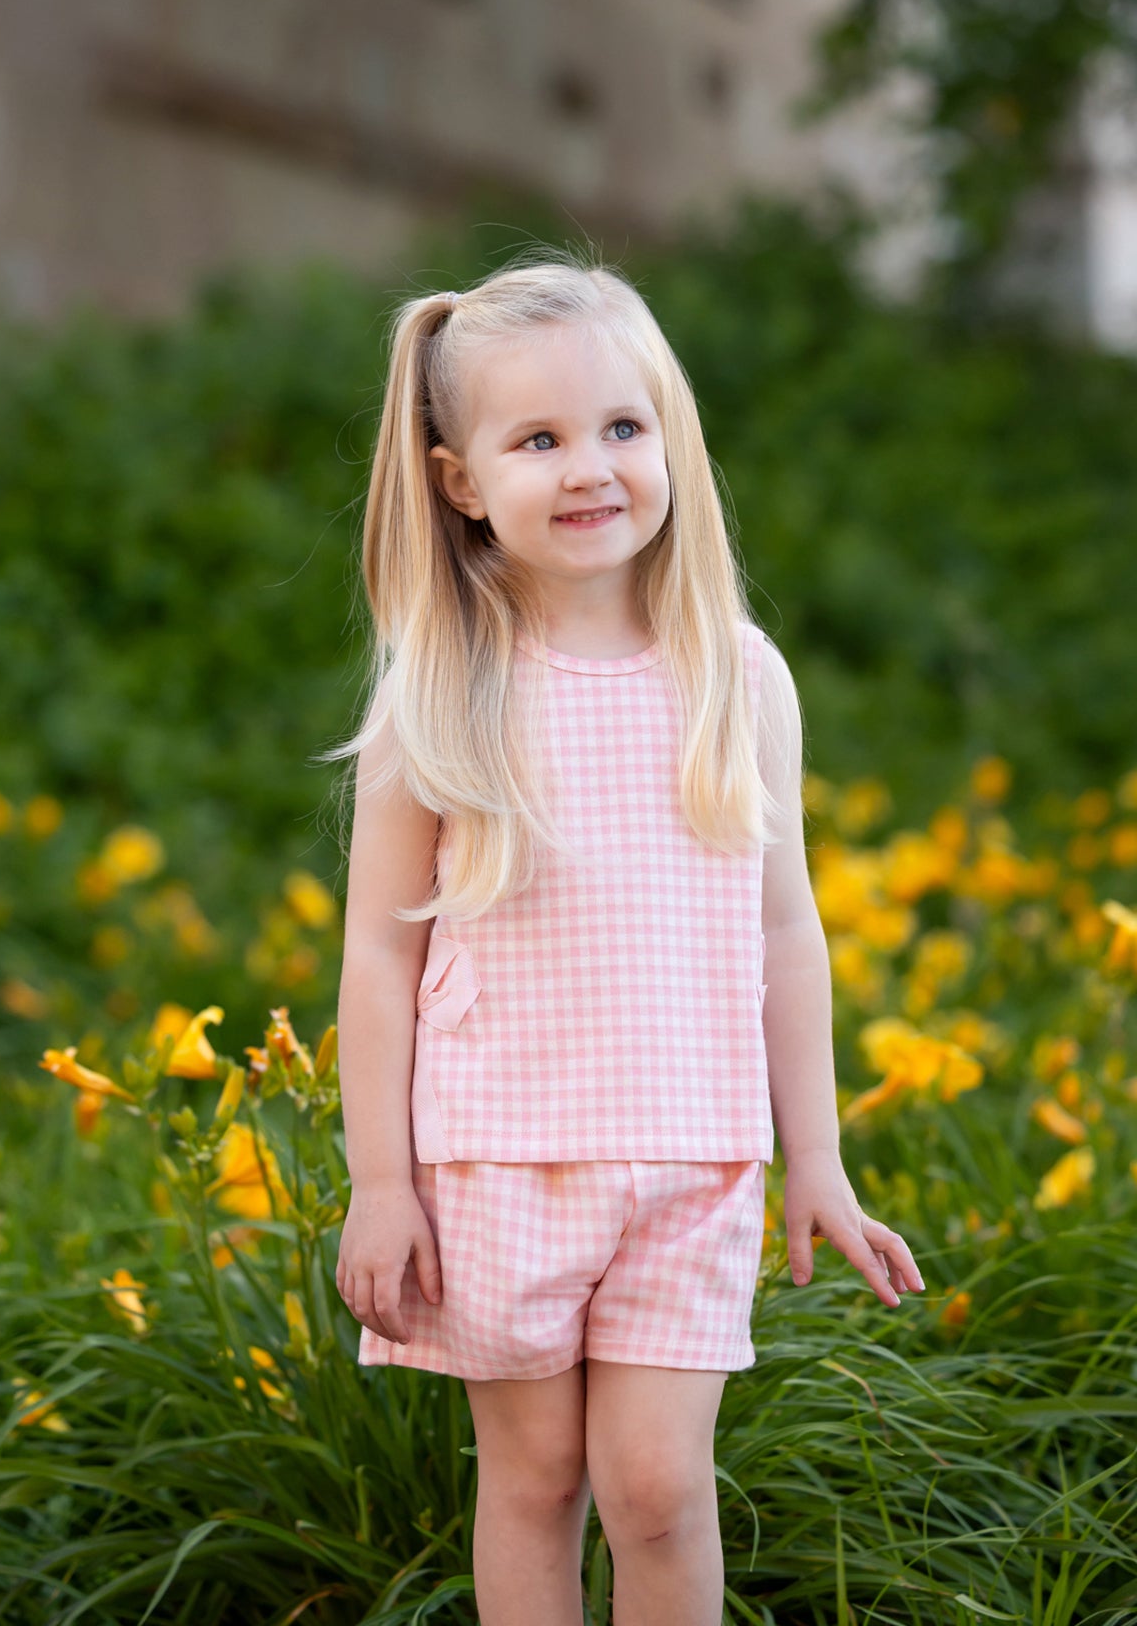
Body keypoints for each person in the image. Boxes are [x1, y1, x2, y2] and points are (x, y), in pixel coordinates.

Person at [330, 253, 924, 1626]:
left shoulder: (737, 675)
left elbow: (784, 928)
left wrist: (816, 1155)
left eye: (621, 426)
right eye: (538, 440)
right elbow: (377, 955)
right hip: (495, 1160)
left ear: (671, 437)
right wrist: (381, 1182)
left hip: (692, 1160)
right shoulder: (442, 688)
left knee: (658, 1491)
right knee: (536, 1481)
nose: (590, 467)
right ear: (460, 481)